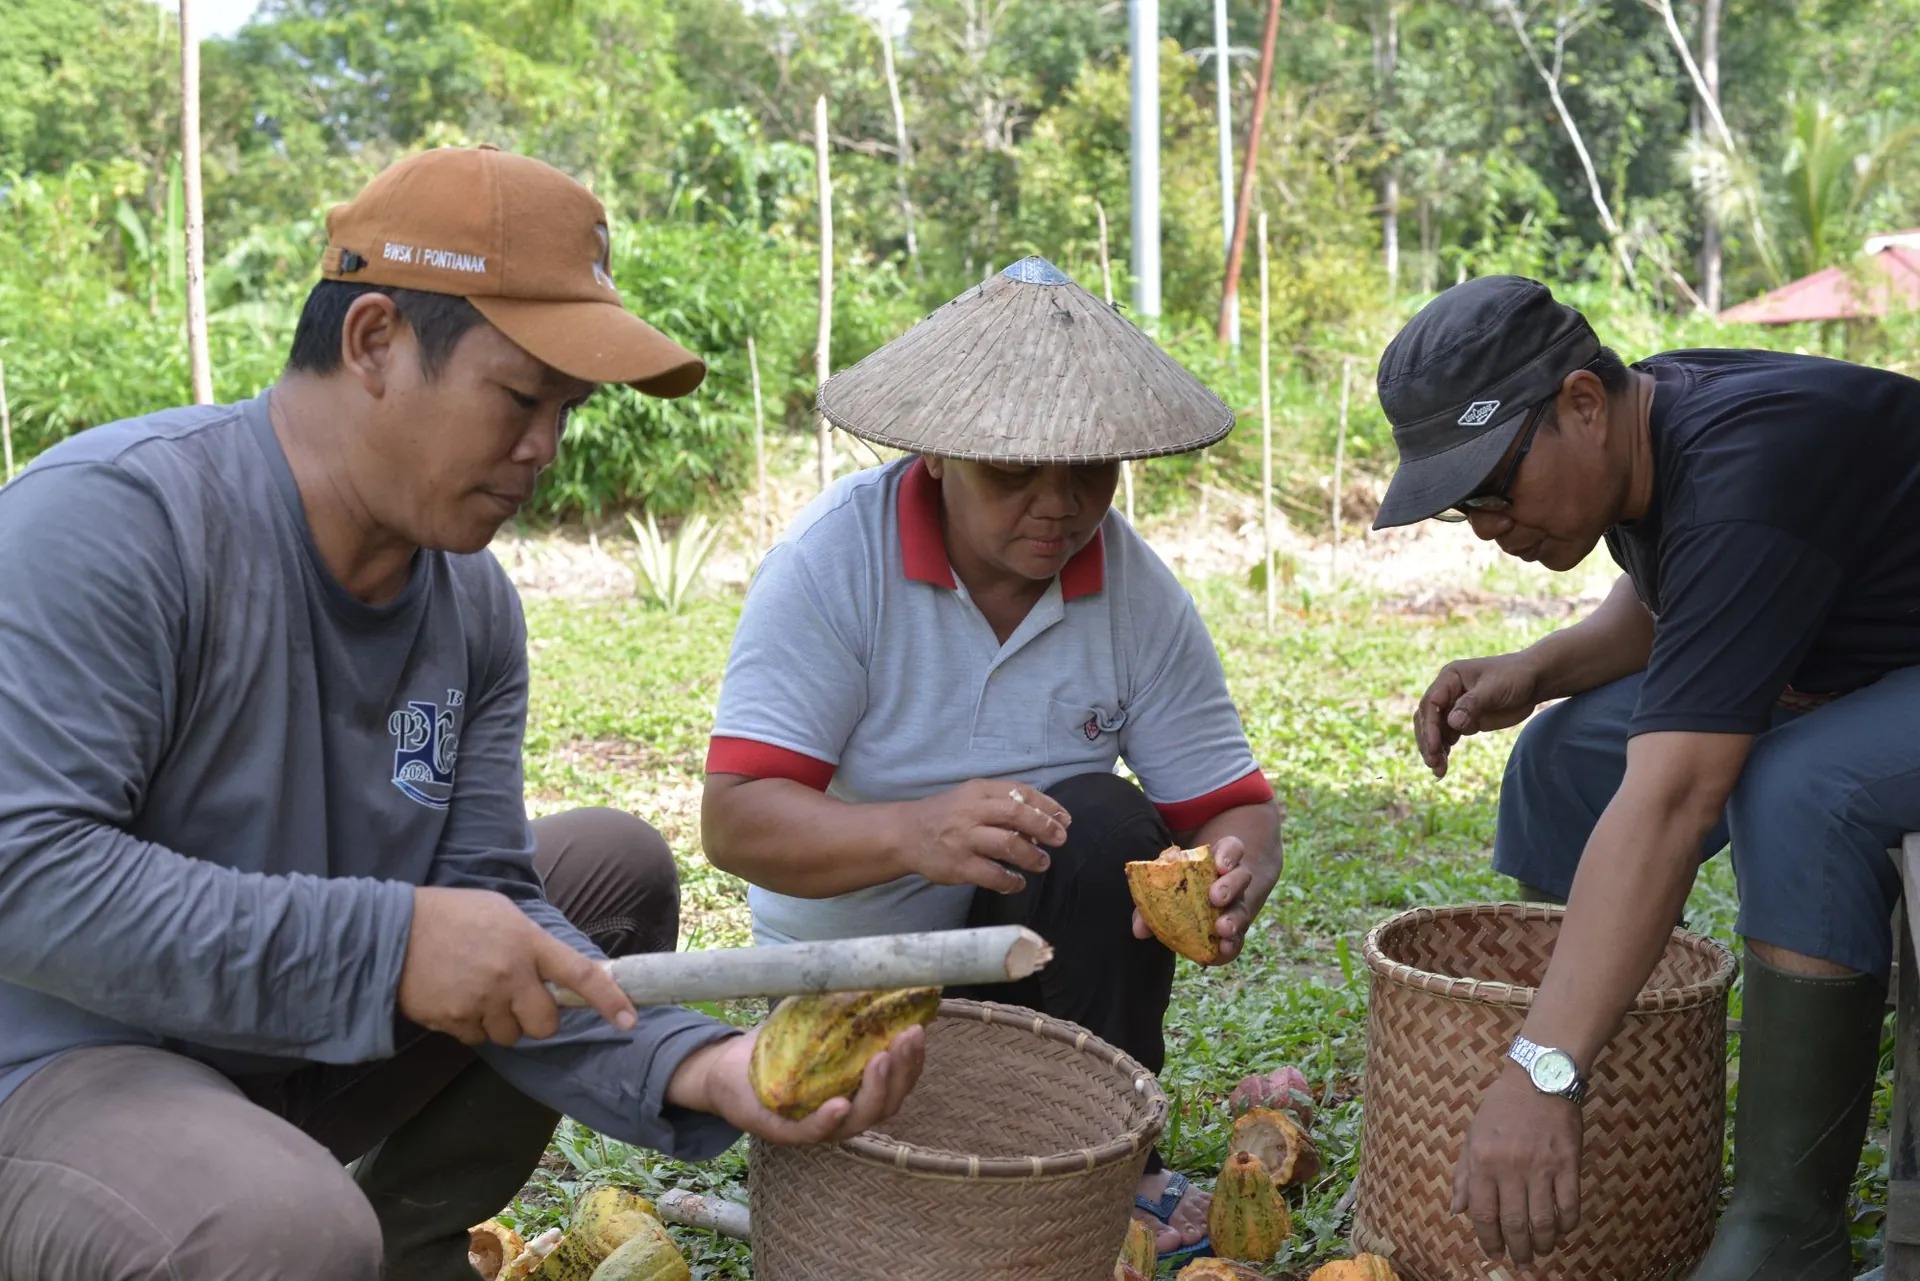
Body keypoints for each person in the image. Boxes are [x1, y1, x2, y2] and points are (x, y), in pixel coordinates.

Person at [0, 146, 925, 1281]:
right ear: (374, 341)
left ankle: (408, 1251)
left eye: (567, 410)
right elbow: (24, 874)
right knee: (280, 1230)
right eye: (521, 398)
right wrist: (392, 946)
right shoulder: (115, 526)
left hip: (284, 1044)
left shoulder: (472, 605)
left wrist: (704, 1066)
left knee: (609, 873)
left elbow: (489, 899)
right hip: (59, 1058)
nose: (545, 450)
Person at [699, 256, 1285, 1266]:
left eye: (1089, 472)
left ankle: (1113, 1166)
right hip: (850, 989)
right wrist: (910, 833)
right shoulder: (835, 563)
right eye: (1015, 473)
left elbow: (1236, 807)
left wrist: (1233, 872)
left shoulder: (1136, 592)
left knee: (1106, 824)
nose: (1059, 506)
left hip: (1023, 985)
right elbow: (736, 820)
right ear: (938, 455)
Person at [1371, 273, 1920, 1281]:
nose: (1486, 522)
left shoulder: (1751, 464)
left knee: (1801, 790)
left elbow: (1674, 799)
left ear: (1583, 403)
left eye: (1492, 485)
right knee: (1565, 758)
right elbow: (1673, 594)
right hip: (1857, 664)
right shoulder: (1647, 433)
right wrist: (1537, 670)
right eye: (1461, 506)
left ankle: (1786, 1227)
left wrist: (1540, 1071)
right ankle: (1604, 1113)